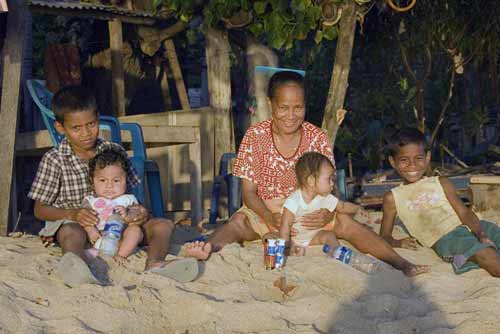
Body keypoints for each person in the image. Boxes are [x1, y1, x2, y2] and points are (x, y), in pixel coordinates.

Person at [186, 71, 428, 277]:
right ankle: (206, 248)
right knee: (238, 222)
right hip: (265, 212)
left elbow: (329, 187)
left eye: (298, 108)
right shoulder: (254, 137)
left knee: (346, 223)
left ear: (305, 106)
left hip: (309, 214)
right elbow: (248, 194)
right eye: (283, 108)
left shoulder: (317, 137)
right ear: (270, 105)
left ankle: (401, 264)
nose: (290, 115)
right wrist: (269, 217)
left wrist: (325, 212)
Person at [28, 85, 198, 287]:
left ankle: (155, 263)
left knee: (163, 225)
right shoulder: (54, 159)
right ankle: (79, 267)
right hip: (78, 225)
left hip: (119, 227)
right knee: (70, 233)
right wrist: (72, 214)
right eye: (76, 128)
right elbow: (40, 209)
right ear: (60, 128)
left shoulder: (113, 150)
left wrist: (139, 212)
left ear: (98, 119)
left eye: (91, 124)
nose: (86, 133)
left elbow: (133, 196)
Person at [380, 127, 500, 276]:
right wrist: (398, 243)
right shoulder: (392, 197)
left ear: (427, 157)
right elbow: (384, 237)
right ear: (393, 162)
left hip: (473, 225)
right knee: (485, 253)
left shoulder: (440, 182)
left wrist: (481, 233)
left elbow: (463, 211)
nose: (412, 165)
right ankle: (468, 256)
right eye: (404, 160)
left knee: (494, 235)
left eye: (418, 158)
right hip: (447, 237)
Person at [279, 152, 366, 256]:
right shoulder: (294, 200)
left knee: (329, 235)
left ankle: (336, 252)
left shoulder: (325, 197)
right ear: (311, 181)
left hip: (313, 238)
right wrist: (286, 247)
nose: (332, 183)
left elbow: (342, 206)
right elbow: (285, 225)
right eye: (328, 179)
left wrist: (357, 208)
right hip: (294, 239)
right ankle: (293, 249)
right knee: (273, 237)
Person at [83, 144, 142, 263]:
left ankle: (121, 254)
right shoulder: (91, 201)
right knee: (80, 232)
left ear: (126, 180)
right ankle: (93, 252)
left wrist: (128, 214)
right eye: (102, 180)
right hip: (98, 236)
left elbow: (137, 213)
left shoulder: (128, 199)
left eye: (116, 181)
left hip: (121, 237)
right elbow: (85, 217)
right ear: (92, 181)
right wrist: (90, 230)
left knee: (135, 231)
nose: (109, 186)